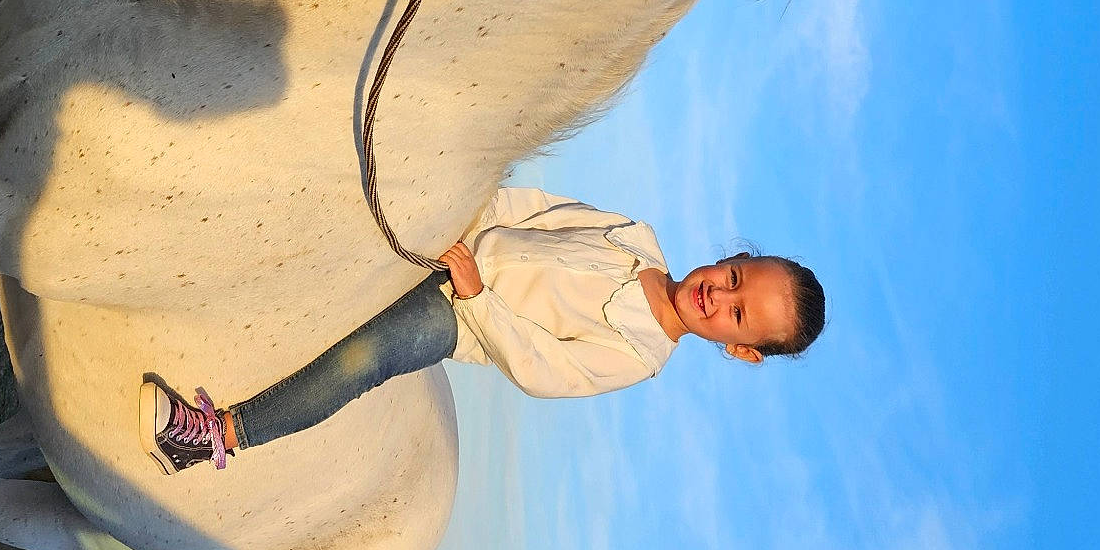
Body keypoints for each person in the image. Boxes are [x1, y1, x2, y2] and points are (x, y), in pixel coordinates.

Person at [141, 187, 826, 474]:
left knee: (367, 354)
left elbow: (541, 370)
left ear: (740, 347)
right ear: (734, 258)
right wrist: (462, 201)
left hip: (462, 315)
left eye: (737, 315)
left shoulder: (639, 355)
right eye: (736, 278)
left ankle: (217, 435)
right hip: (459, 239)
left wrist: (477, 298)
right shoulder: (636, 237)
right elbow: (532, 209)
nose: (719, 295)